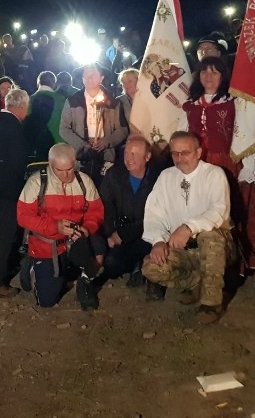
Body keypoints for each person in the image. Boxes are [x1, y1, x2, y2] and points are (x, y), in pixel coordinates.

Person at [141, 131, 231, 325]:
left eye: (185, 153)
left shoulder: (214, 174)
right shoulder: (166, 176)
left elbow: (218, 211)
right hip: (184, 249)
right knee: (151, 268)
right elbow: (154, 213)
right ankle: (197, 281)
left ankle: (211, 303)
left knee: (210, 237)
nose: (180, 159)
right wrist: (157, 241)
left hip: (217, 247)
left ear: (198, 152)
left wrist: (188, 227)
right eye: (175, 154)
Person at [17, 144, 104, 310]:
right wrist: (54, 227)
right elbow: (23, 217)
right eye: (60, 170)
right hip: (47, 245)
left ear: (75, 162)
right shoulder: (37, 182)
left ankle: (84, 282)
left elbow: (96, 212)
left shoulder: (84, 181)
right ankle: (31, 268)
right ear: (51, 165)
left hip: (74, 241)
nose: (66, 175)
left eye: (70, 169)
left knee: (99, 247)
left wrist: (87, 228)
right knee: (47, 301)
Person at [0, 88, 30, 298]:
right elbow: (19, 162)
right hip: (8, 189)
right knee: (6, 234)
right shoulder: (13, 127)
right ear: (21, 107)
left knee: (4, 232)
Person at [96, 136, 158, 286]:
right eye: (126, 153)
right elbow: (105, 207)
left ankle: (141, 267)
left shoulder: (158, 180)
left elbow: (157, 217)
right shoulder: (114, 175)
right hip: (118, 235)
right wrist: (110, 234)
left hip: (148, 235)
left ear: (147, 157)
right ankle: (135, 267)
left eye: (134, 154)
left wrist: (123, 234)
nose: (128, 159)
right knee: (111, 264)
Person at [59, 63, 128, 186]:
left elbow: (122, 129)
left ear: (101, 78)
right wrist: (82, 145)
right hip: (81, 157)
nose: (88, 78)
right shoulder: (73, 101)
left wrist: (107, 141)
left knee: (104, 190)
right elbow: (64, 129)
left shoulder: (112, 102)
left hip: (106, 155)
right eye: (85, 75)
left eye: (92, 75)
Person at [25, 71, 66, 163]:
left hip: (34, 148)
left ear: (38, 83)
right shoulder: (62, 99)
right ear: (54, 84)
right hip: (58, 146)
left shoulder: (29, 100)